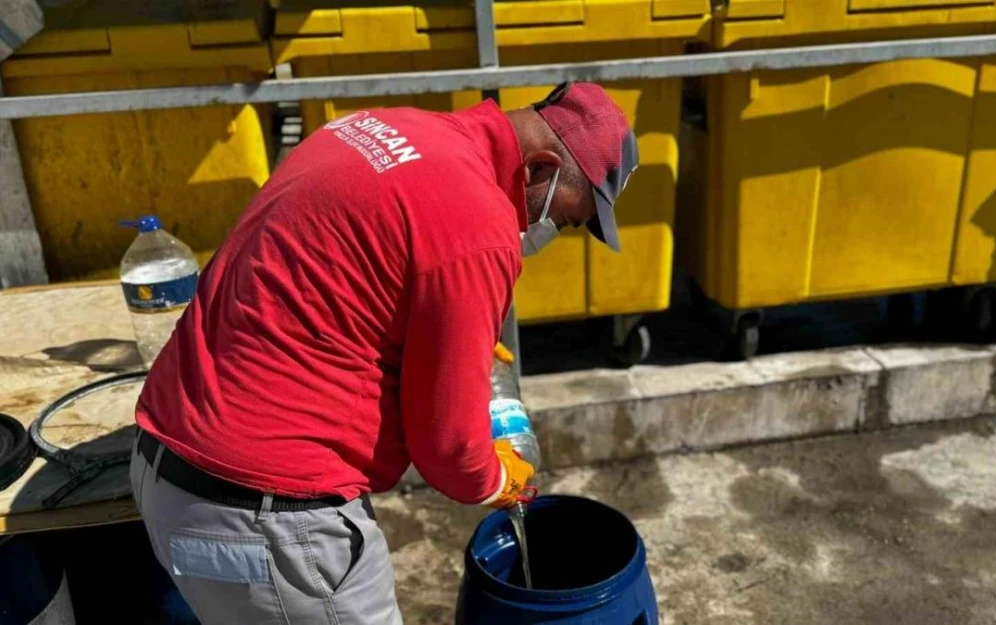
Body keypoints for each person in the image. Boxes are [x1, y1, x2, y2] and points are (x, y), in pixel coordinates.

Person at [128, 81, 639, 624]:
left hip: (165, 470)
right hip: (267, 523)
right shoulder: (478, 227)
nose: (557, 231)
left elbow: (339, 276)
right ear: (539, 168)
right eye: (567, 218)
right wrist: (497, 479)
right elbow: (451, 455)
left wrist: (446, 328)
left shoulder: (381, 126)